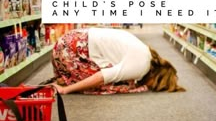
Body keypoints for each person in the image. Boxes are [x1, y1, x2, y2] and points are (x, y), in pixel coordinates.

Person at [50, 27, 185, 95]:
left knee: (123, 78)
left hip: (68, 42)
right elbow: (100, 77)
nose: (151, 88)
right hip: (70, 50)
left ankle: (67, 78)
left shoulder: (146, 53)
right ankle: (67, 83)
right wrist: (65, 90)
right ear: (157, 78)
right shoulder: (141, 66)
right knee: (123, 87)